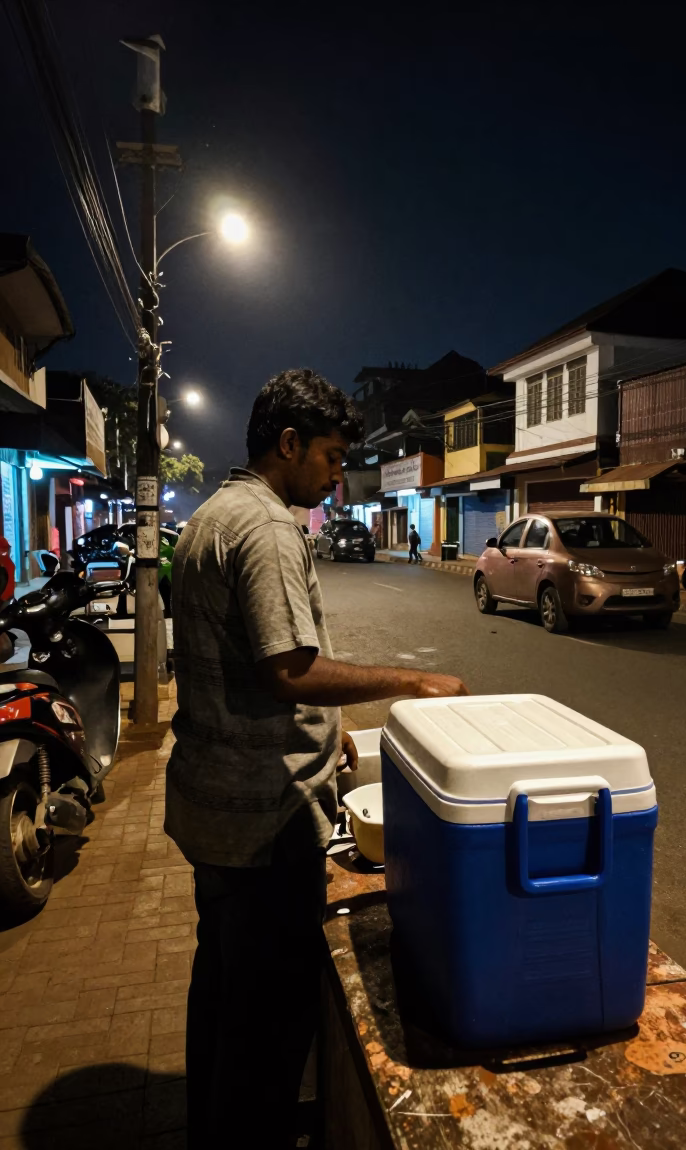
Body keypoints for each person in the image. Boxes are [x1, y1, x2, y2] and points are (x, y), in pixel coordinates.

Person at [165, 369, 467, 1148]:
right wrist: (411, 679)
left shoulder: (209, 517)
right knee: (268, 1029)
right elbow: (288, 668)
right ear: (289, 443)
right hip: (264, 826)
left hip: (214, 812)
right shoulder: (265, 529)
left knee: (223, 997)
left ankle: (214, 1129)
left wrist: (328, 739)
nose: (338, 477)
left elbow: (247, 670)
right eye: (331, 457)